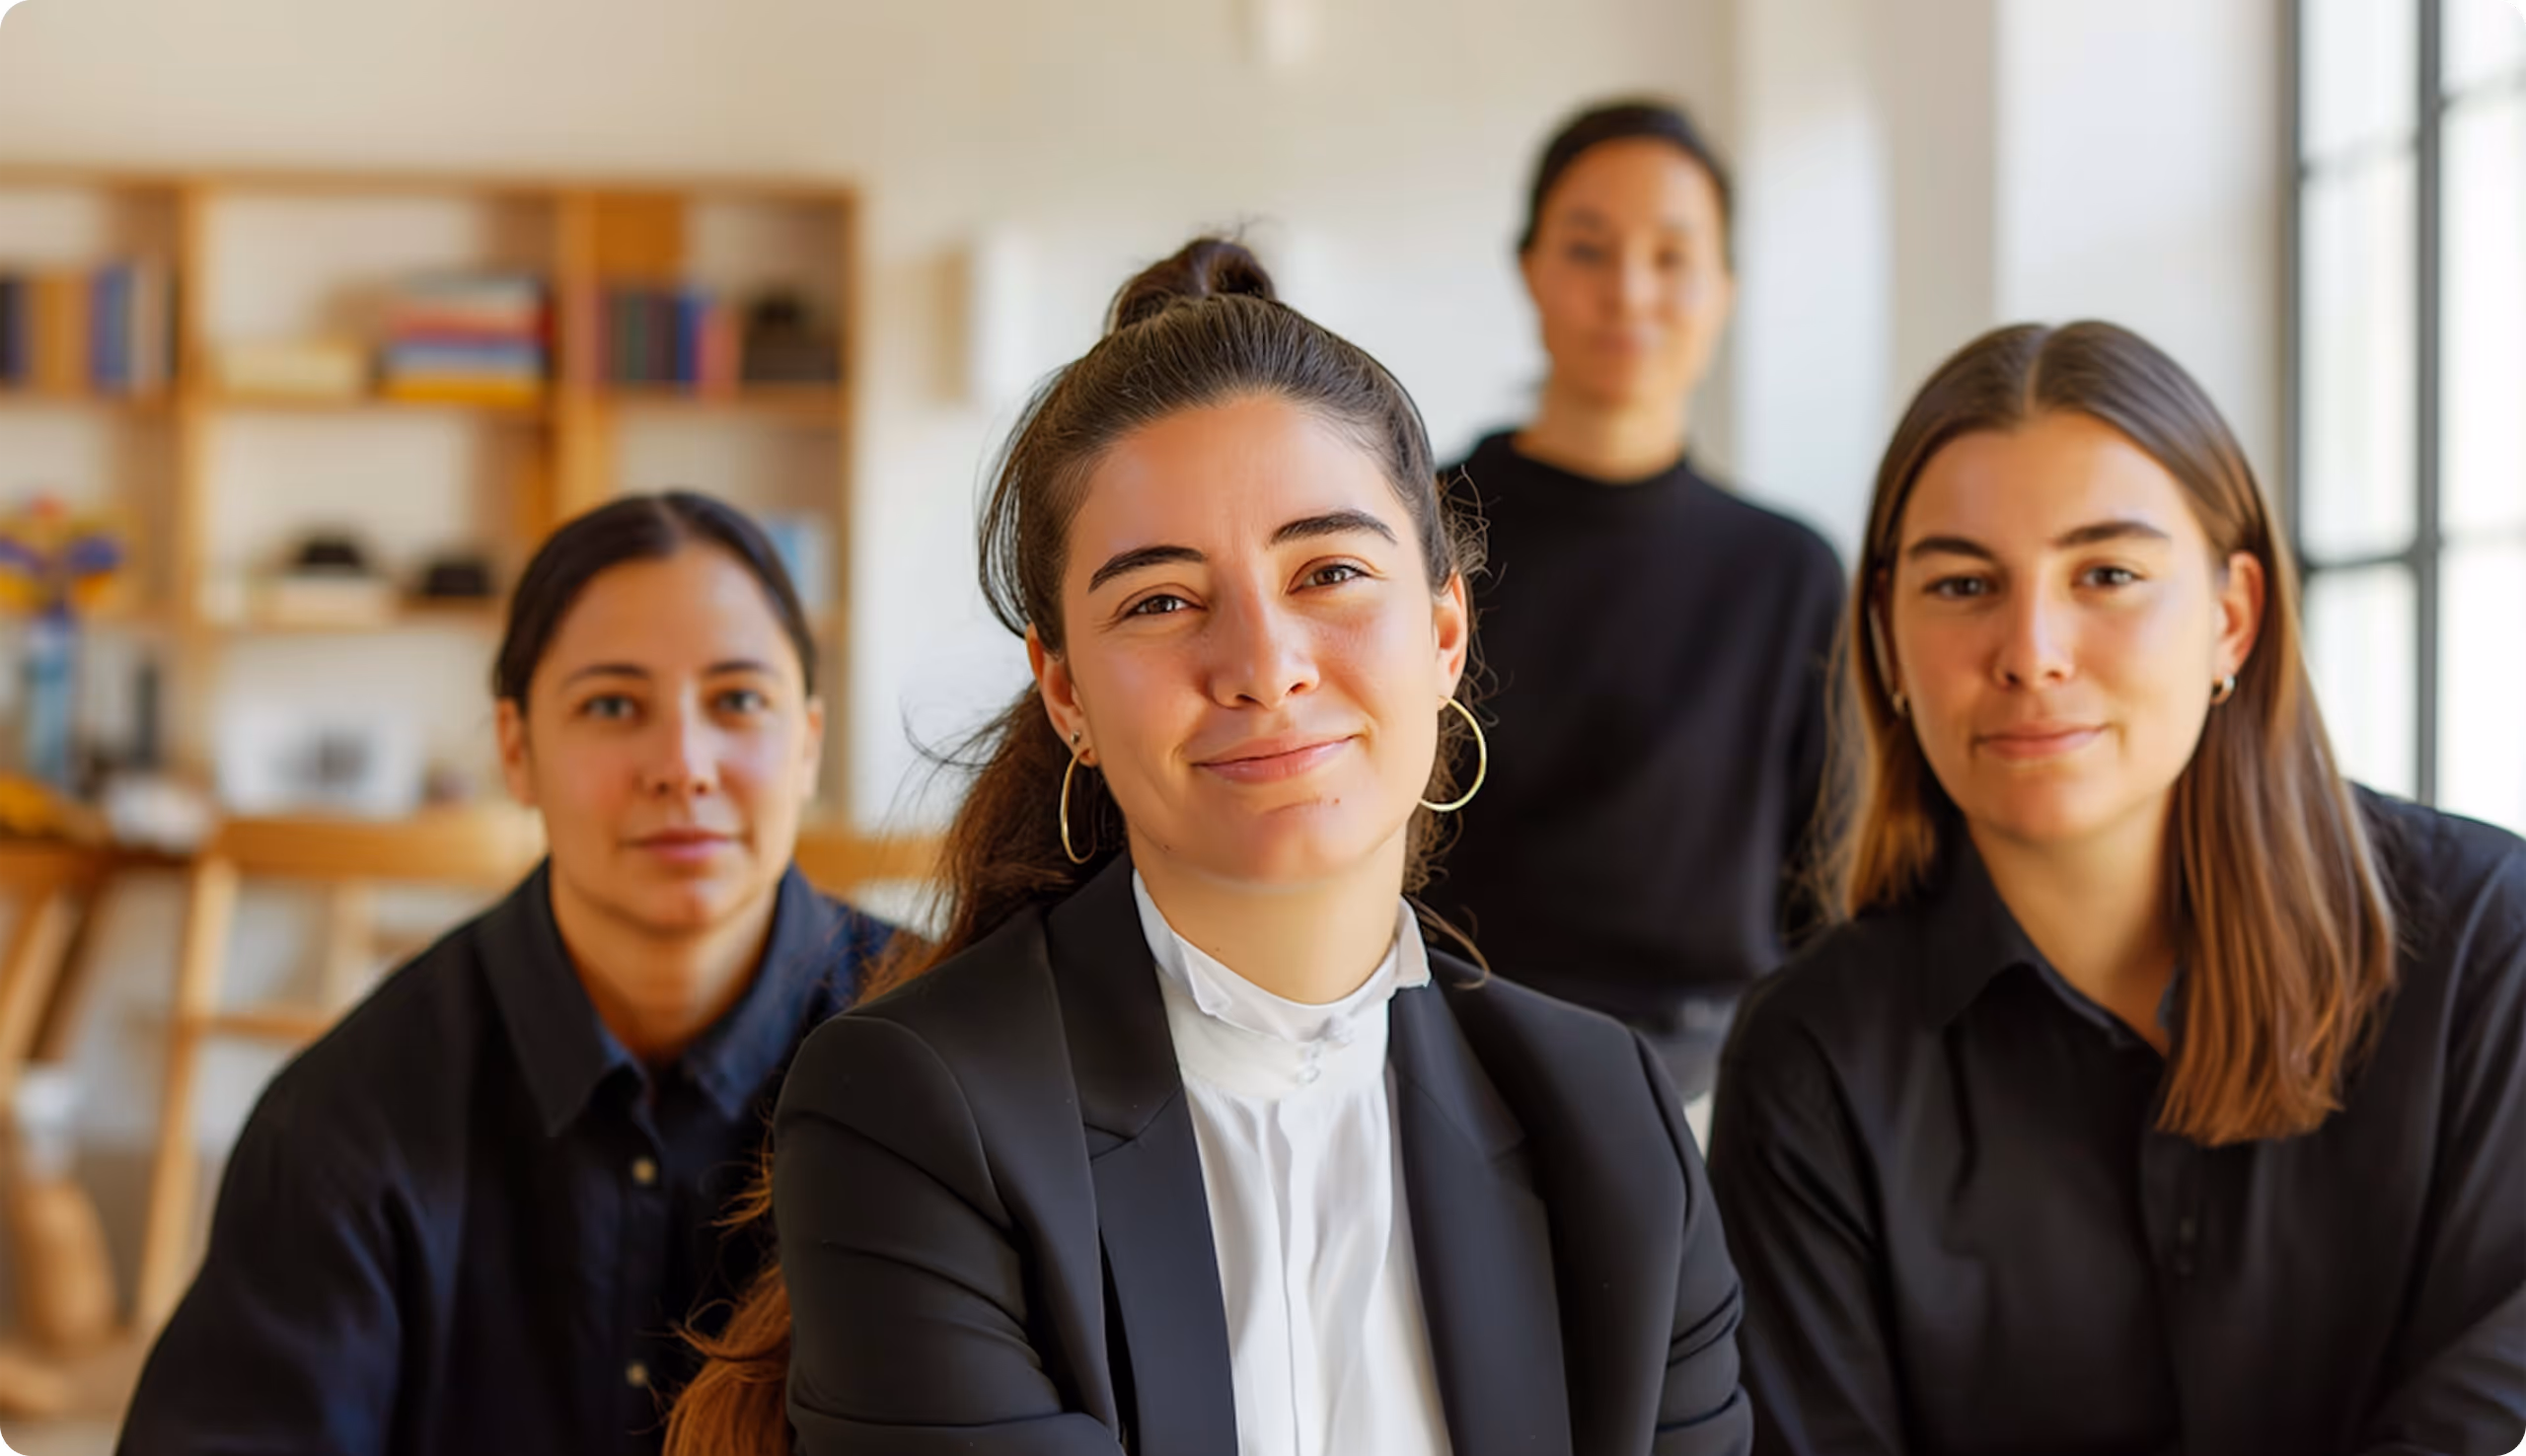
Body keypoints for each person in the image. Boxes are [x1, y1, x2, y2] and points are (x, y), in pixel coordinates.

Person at [665, 237, 1751, 1456]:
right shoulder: (915, 1113)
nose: (1263, 666)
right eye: (1161, 602)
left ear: (1444, 630)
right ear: (1065, 690)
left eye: (1329, 571)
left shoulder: (1607, 1116)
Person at [1708, 322, 2526, 1455]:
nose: (2032, 649)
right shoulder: (1812, 1064)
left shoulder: (2492, 943)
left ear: (2230, 617)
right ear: (1889, 642)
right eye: (1961, 584)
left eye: (2106, 574)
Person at [119, 492, 894, 1456]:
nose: (683, 765)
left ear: (808, 743)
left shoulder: (943, 1057)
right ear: (517, 750)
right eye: (613, 706)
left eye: (738, 701)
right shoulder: (344, 1123)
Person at [1422, 99, 1845, 1110]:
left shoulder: (1788, 573)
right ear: (1528, 267)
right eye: (1588, 248)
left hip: (1710, 1085)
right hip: (1440, 1053)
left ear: (1724, 288)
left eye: (1671, 255)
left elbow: (1826, 900)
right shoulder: (1415, 534)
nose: (1629, 292)